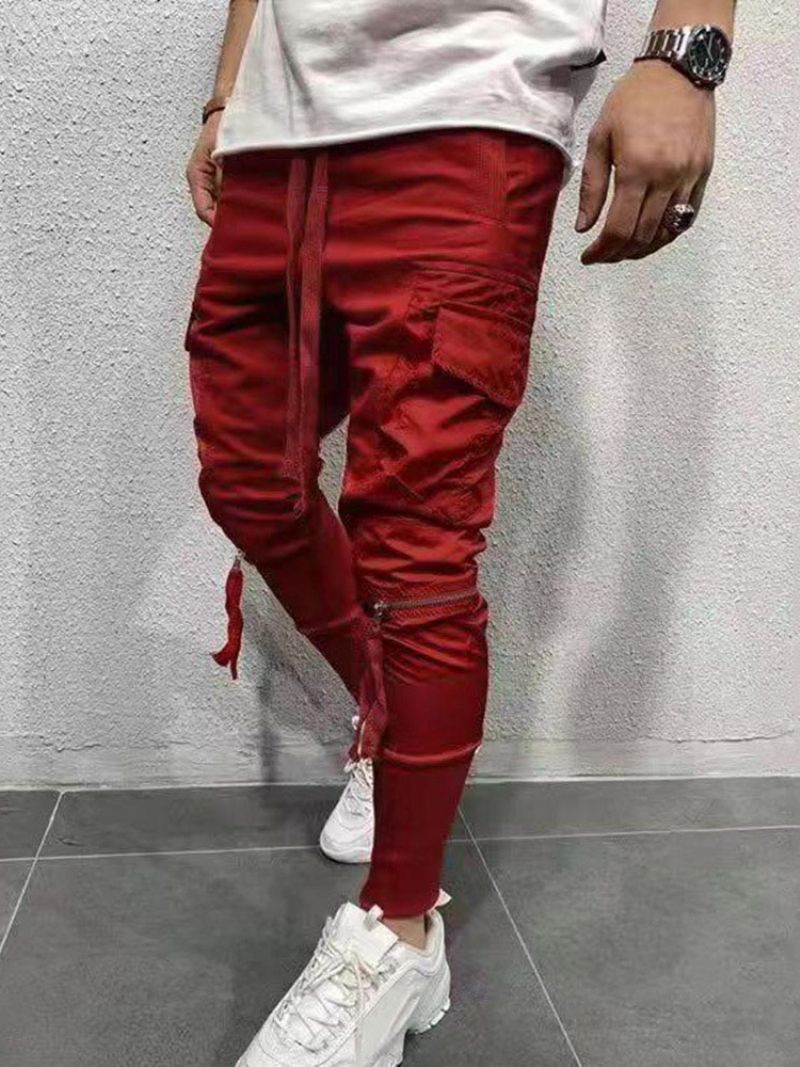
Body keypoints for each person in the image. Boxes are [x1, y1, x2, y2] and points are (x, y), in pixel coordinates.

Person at [184, 2, 736, 1064]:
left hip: (463, 113)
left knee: (416, 542)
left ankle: (399, 932)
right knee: (250, 481)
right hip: (272, 137)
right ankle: (383, 720)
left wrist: (687, 52)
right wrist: (227, 95)